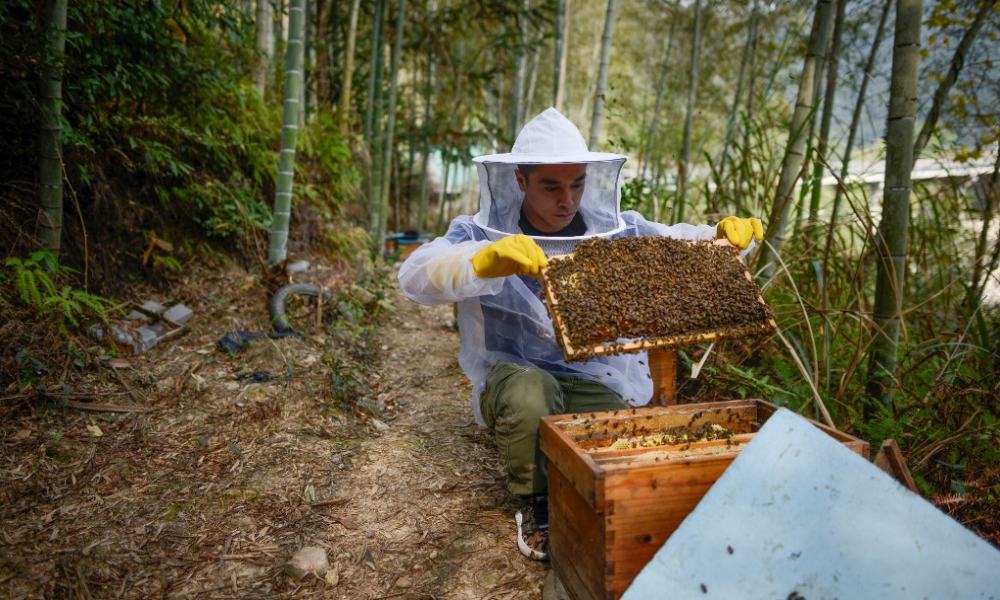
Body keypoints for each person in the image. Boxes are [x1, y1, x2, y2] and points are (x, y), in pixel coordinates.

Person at [398, 108, 762, 560]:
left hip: (593, 376)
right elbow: (415, 275)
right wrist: (480, 262)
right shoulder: (480, 232)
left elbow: (678, 245)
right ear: (521, 181)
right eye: (551, 186)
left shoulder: (615, 231)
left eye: (576, 184)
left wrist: (724, 238)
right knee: (530, 395)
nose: (566, 200)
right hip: (516, 375)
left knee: (609, 440)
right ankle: (537, 505)